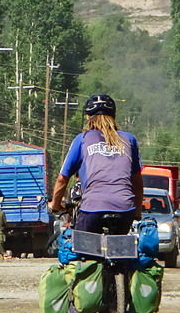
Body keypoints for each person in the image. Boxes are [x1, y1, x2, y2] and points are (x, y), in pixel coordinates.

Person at [49, 93, 142, 236]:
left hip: (92, 206)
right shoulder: (129, 139)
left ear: (87, 117)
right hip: (124, 207)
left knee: (82, 250)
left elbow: (63, 179)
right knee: (121, 252)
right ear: (114, 115)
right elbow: (137, 181)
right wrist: (137, 211)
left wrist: (55, 205)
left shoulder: (82, 139)